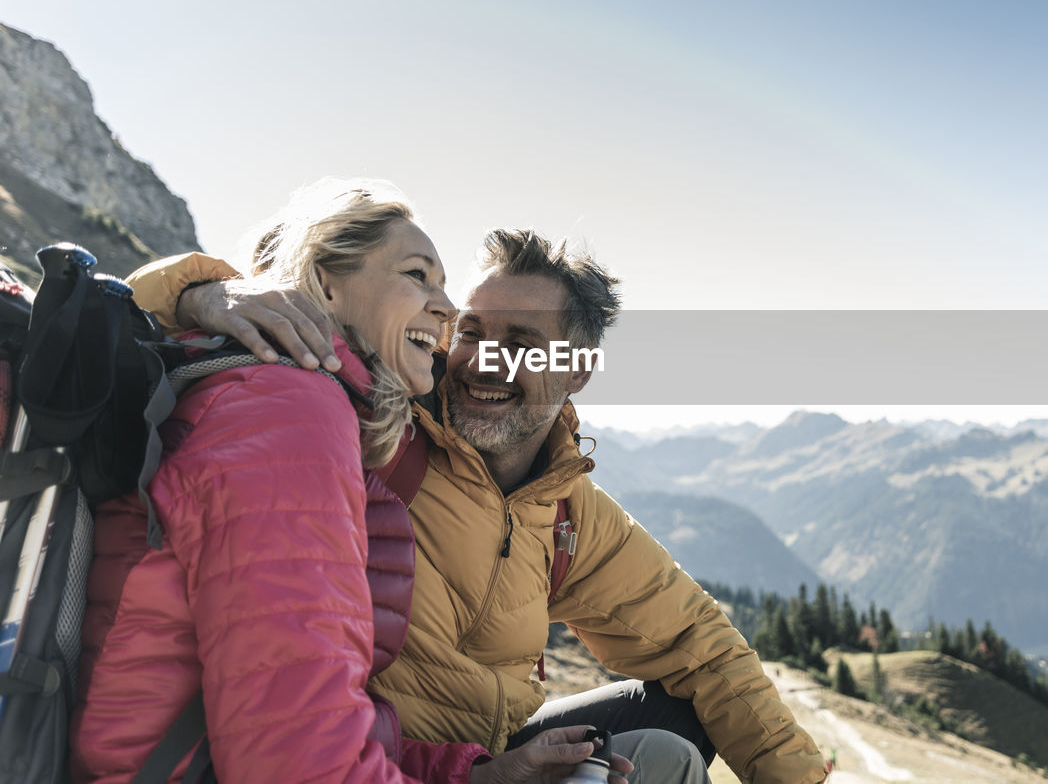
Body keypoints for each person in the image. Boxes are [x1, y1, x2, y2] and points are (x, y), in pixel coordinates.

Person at [129, 227, 827, 783]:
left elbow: (700, 644)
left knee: (672, 717)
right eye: (472, 332)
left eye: (522, 344)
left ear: (576, 369)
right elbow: (161, 312)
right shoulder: (376, 422)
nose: (482, 362)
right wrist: (204, 294)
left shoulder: (565, 510)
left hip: (490, 758)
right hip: (369, 759)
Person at [72, 181, 635, 784]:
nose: (447, 312)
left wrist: (483, 776)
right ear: (326, 282)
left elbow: (310, 728)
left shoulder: (292, 401)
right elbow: (299, 764)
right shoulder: (291, 414)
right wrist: (202, 292)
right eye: (418, 275)